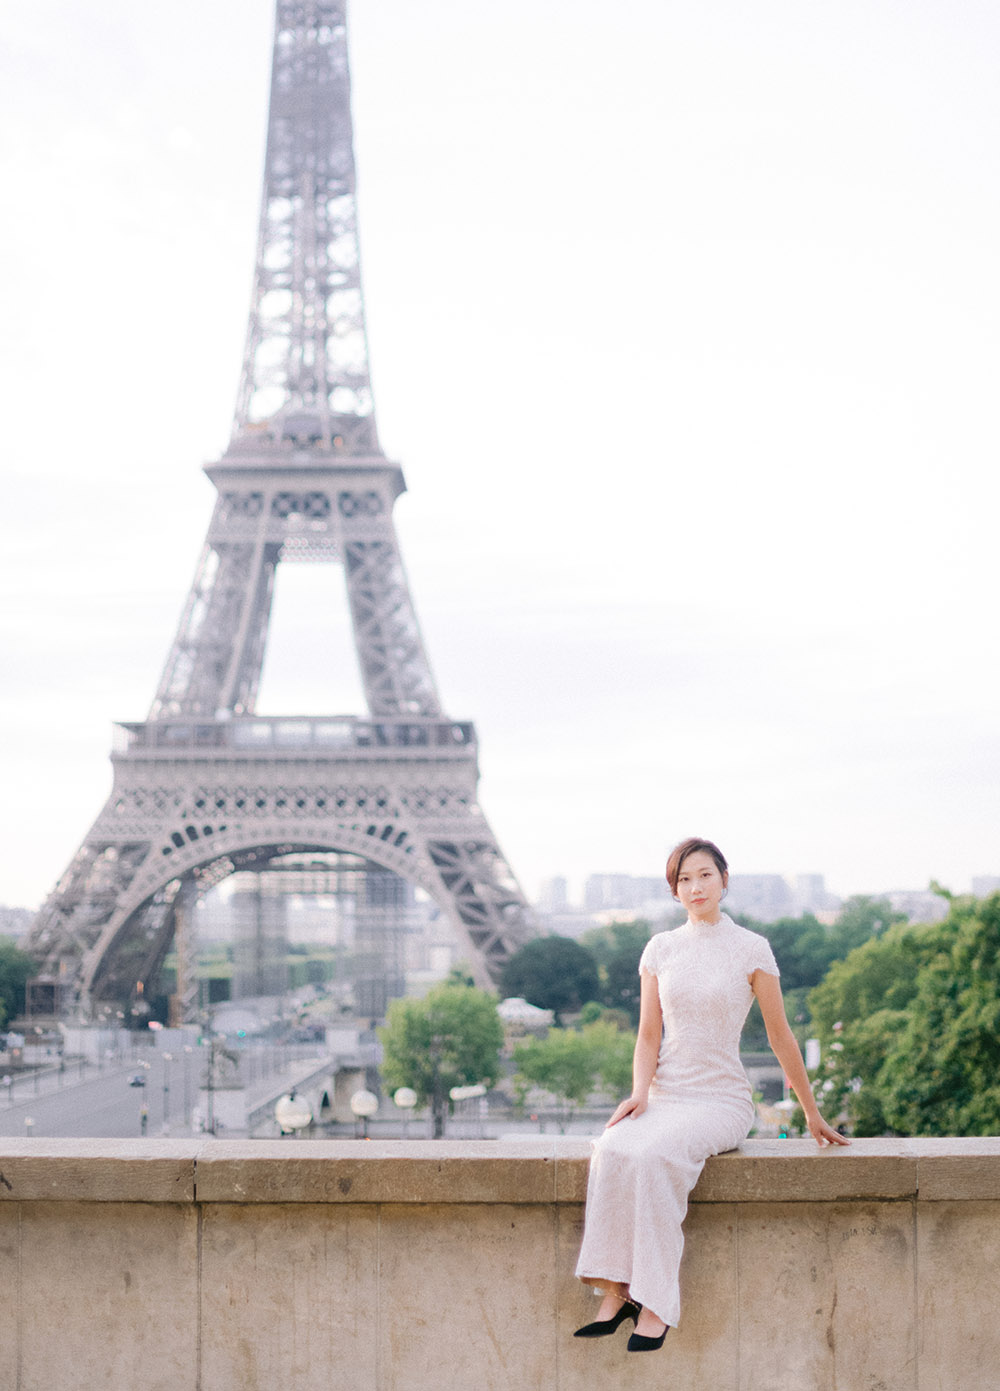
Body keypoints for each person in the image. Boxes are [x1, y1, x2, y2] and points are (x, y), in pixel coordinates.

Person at [573, 837, 848, 1353]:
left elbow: (780, 1035)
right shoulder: (660, 949)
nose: (695, 887)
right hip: (664, 1094)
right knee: (611, 1148)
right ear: (674, 890)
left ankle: (655, 1302)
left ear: (725, 879)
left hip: (720, 1100)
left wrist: (811, 1113)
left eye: (704, 875)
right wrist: (639, 1093)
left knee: (655, 1156)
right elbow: (648, 1035)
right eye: (683, 879)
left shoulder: (751, 948)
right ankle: (615, 1290)